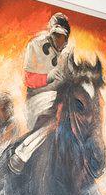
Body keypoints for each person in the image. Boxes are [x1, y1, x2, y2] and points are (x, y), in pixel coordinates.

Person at [6, 12, 70, 172]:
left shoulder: (68, 55)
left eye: (62, 37)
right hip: (38, 100)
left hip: (60, 100)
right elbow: (28, 79)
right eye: (56, 35)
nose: (59, 41)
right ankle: (22, 153)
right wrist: (48, 76)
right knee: (56, 120)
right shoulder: (35, 45)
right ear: (51, 33)